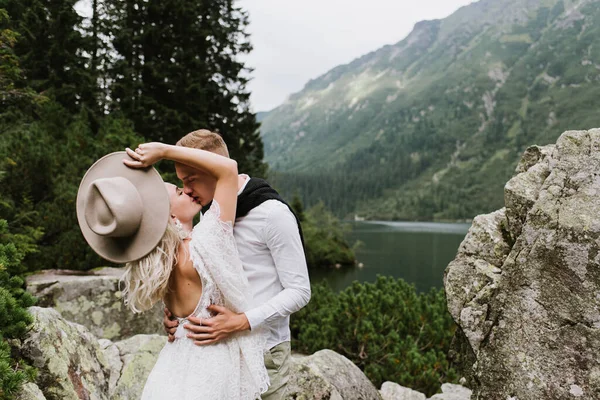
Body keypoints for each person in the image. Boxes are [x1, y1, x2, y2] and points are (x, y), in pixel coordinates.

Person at [78, 146, 269, 399]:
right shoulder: (205, 242)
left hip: (173, 366)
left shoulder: (158, 265)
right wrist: (164, 151)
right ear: (167, 213)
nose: (188, 190)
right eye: (180, 191)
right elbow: (229, 169)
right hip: (212, 363)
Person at [162, 130, 311, 399]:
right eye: (181, 182)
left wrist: (241, 322)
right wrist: (178, 314)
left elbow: (300, 291)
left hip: (265, 350)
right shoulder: (208, 213)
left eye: (190, 179)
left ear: (214, 168)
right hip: (218, 355)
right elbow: (206, 277)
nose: (185, 189)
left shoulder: (272, 214)